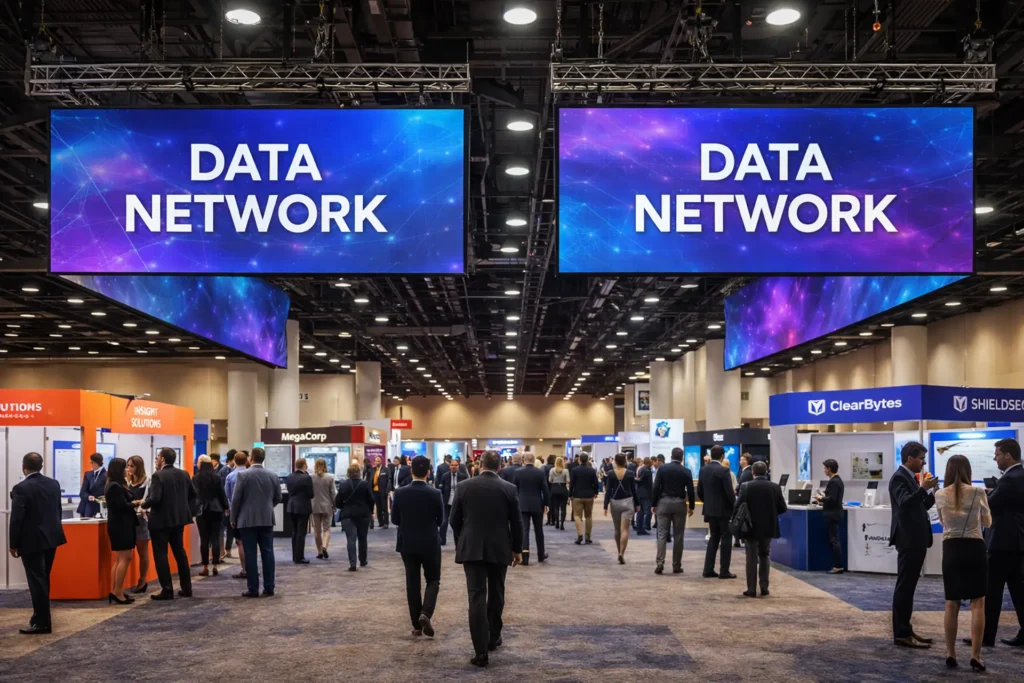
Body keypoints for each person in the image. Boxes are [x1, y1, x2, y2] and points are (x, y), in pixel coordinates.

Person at [449, 450, 524, 667]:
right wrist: (517, 549)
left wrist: (465, 538)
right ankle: (493, 638)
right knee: (497, 592)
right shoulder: (509, 489)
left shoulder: (464, 487)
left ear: (480, 464)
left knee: (476, 597)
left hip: (472, 549)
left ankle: (481, 651)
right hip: (500, 548)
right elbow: (517, 523)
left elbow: (454, 520)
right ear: (500, 466)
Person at [935, 454, 991, 671]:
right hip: (975, 548)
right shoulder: (979, 492)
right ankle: (976, 655)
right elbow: (988, 521)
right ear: (969, 471)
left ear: (948, 471)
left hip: (951, 549)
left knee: (951, 602)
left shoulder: (939, 494)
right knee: (978, 603)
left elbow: (942, 522)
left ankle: (950, 652)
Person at [8, 452, 66, 635]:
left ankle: (41, 622)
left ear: (23, 467)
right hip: (52, 538)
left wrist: (13, 543)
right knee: (43, 579)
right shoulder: (53, 484)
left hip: (31, 541)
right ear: (41, 466)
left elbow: (17, 519)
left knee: (37, 581)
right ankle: (40, 618)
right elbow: (58, 510)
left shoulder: (21, 488)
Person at [889, 441, 939, 648]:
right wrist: (923, 489)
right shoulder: (899, 478)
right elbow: (905, 503)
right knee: (905, 587)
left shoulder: (910, 478)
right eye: (920, 458)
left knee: (909, 587)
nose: (923, 462)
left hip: (916, 539)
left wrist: (931, 493)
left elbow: (919, 507)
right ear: (910, 458)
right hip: (908, 539)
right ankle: (901, 633)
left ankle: (906, 629)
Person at [392, 455, 445, 638]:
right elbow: (440, 520)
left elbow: (394, 519)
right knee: (433, 579)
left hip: (408, 542)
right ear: (429, 473)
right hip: (430, 542)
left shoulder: (400, 493)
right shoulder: (435, 493)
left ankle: (416, 624)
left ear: (411, 471)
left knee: (412, 583)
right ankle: (426, 613)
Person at [979, 437, 1024, 649]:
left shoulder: (1008, 479)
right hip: (1016, 543)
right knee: (1018, 591)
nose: (995, 458)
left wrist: (986, 496)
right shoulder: (1019, 475)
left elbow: (990, 506)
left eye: (997, 454)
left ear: (1008, 455)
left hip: (1001, 543)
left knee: (992, 591)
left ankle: (986, 636)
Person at [140, 447, 197, 601]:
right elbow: (194, 495)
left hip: (160, 522)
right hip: (179, 521)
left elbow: (155, 499)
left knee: (161, 555)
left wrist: (143, 504)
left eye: (158, 456)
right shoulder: (184, 474)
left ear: (163, 459)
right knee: (180, 553)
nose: (156, 459)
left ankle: (167, 590)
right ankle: (187, 588)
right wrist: (187, 512)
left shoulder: (158, 476)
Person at [231, 447, 281, 597]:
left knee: (250, 554)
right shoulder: (273, 475)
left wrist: (233, 518)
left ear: (250, 458)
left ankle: (253, 589)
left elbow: (236, 500)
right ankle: (269, 587)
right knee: (268, 553)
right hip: (266, 520)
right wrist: (267, 507)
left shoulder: (243, 475)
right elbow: (278, 497)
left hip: (247, 521)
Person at [735, 461, 787, 598]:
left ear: (753, 473)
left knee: (751, 557)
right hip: (768, 527)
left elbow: (738, 506)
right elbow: (783, 508)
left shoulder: (746, 486)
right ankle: (764, 587)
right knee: (764, 555)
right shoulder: (775, 487)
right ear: (766, 472)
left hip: (750, 527)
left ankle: (751, 589)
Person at [652, 447, 696, 575]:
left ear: (671, 456)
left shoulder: (662, 469)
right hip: (679, 504)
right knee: (678, 536)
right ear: (682, 458)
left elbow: (656, 487)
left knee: (662, 534)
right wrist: (691, 506)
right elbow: (690, 491)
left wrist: (654, 503)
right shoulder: (686, 471)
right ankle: (676, 565)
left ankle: (660, 562)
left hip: (664, 502)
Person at [698, 445, 737, 579]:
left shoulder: (703, 470)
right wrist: (734, 506)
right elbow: (729, 493)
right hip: (724, 511)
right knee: (726, 538)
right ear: (722, 456)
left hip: (710, 510)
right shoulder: (724, 471)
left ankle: (708, 569)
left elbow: (700, 492)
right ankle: (724, 571)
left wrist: (708, 503)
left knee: (713, 538)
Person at [103, 457, 137, 604]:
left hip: (119, 524)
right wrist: (136, 503)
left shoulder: (114, 484)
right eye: (125, 467)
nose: (127, 470)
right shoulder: (115, 486)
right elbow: (121, 506)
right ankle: (117, 592)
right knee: (125, 558)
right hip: (121, 525)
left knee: (119, 559)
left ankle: (116, 590)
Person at [193, 455, 229, 576]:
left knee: (204, 538)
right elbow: (222, 494)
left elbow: (195, 496)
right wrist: (225, 507)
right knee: (215, 538)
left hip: (202, 511)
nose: (196, 463)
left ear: (202, 463)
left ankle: (205, 567)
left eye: (198, 461)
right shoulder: (217, 477)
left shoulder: (196, 478)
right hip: (217, 509)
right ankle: (215, 566)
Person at [335, 464, 374, 571]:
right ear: (358, 472)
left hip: (347, 515)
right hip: (363, 514)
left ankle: (352, 563)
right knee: (363, 538)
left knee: (351, 539)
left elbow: (337, 502)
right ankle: (363, 560)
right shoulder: (365, 484)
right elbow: (371, 499)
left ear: (348, 472)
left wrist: (344, 506)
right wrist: (370, 511)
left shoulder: (343, 484)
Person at [513, 455, 549, 565]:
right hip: (537, 504)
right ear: (534, 461)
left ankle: (525, 556)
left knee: (525, 530)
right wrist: (546, 503)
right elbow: (545, 489)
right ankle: (541, 554)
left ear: (524, 460)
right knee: (539, 530)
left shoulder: (518, 472)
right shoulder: (540, 472)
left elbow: (514, 489)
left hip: (522, 504)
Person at [603, 453, 638, 565]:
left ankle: (619, 551)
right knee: (625, 530)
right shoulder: (630, 473)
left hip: (615, 502)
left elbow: (608, 491)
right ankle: (622, 553)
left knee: (617, 529)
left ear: (615, 461)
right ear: (625, 461)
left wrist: (605, 506)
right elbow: (633, 490)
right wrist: (637, 504)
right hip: (628, 501)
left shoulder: (610, 474)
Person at [814, 458, 846, 574]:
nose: (824, 470)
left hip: (832, 515)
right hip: (835, 514)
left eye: (825, 468)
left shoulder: (834, 481)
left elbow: (832, 499)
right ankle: (837, 565)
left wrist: (821, 498)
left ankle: (837, 566)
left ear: (829, 469)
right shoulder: (837, 481)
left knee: (834, 540)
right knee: (834, 539)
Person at [126, 455, 151, 593]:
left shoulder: (147, 480)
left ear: (138, 467)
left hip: (141, 520)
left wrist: (139, 505)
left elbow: (146, 500)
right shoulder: (128, 481)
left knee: (143, 551)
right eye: (128, 465)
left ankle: (142, 580)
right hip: (129, 519)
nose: (129, 468)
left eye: (132, 466)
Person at [224, 451, 249, 579]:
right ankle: (252, 567)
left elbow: (228, 496)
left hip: (237, 513)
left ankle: (244, 569)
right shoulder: (250, 474)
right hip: (251, 512)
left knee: (240, 543)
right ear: (246, 461)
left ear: (234, 461)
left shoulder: (231, 476)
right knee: (251, 542)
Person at [284, 458, 314, 565]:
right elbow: (311, 494)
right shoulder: (306, 477)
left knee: (295, 531)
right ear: (304, 465)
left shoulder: (290, 476)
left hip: (292, 506)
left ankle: (294, 556)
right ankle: (299, 557)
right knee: (301, 532)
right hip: (303, 507)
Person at [569, 453, 599, 545]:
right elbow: (596, 483)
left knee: (577, 516)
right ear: (587, 460)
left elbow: (572, 484)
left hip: (577, 496)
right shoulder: (592, 470)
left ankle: (579, 535)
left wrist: (570, 495)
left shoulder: (574, 470)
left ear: (579, 460)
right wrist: (596, 492)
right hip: (589, 496)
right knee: (588, 516)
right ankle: (588, 537)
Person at [438, 458, 468, 546]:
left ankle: (458, 542)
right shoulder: (445, 476)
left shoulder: (463, 476)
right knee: (444, 522)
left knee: (456, 522)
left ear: (458, 466)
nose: (454, 467)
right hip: (447, 502)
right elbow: (441, 488)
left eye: (455, 465)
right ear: (449, 467)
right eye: (452, 465)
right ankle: (442, 540)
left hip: (459, 503)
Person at [311, 458, 336, 560]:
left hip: (315, 507)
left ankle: (320, 551)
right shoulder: (330, 478)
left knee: (317, 531)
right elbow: (333, 494)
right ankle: (325, 546)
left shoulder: (311, 477)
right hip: (327, 507)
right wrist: (334, 505)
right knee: (326, 529)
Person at [76, 452, 106, 518]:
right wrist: (88, 497)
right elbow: (82, 492)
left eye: (91, 462)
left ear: (95, 463)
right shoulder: (88, 474)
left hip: (100, 508)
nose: (90, 464)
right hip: (87, 507)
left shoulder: (106, 475)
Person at [219, 449, 237, 558]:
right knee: (226, 528)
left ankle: (227, 549)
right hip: (226, 505)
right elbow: (224, 489)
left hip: (227, 504)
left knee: (229, 528)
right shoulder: (226, 470)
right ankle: (225, 549)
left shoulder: (227, 470)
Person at [368, 455, 392, 530]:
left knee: (384, 507)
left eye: (378, 460)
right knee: (378, 507)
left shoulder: (386, 469)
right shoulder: (372, 469)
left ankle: (386, 523)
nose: (376, 462)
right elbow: (370, 479)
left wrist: (388, 490)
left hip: (383, 490)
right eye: (375, 461)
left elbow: (389, 480)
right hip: (374, 491)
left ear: (381, 461)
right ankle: (380, 522)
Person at [548, 457, 570, 531]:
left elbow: (550, 480)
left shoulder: (552, 470)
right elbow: (568, 480)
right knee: (563, 507)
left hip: (554, 489)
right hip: (563, 489)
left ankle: (556, 522)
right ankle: (562, 524)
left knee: (555, 507)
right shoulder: (565, 471)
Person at [634, 456, 653, 535]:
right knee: (647, 511)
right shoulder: (647, 471)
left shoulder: (641, 469)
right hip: (646, 494)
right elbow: (649, 484)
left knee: (640, 512)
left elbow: (639, 480)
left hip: (639, 493)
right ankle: (644, 527)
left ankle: (639, 528)